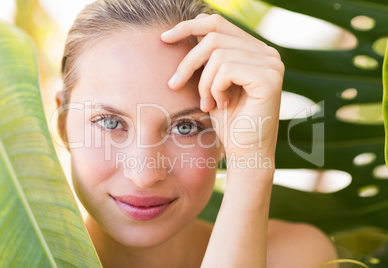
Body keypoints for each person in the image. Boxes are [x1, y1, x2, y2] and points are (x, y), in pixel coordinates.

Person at [55, 0, 337, 267]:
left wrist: (250, 163)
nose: (144, 175)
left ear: (225, 134)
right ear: (63, 124)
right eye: (111, 123)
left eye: (186, 128)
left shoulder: (290, 256)